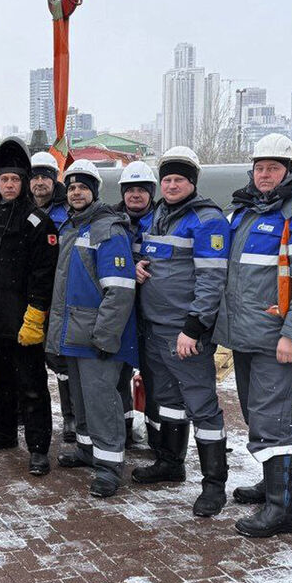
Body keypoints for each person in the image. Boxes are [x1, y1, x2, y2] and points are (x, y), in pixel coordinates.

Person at [214, 134, 292, 538]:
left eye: (274, 168)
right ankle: (273, 484)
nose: (265, 175)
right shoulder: (246, 210)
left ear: (290, 170)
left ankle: (283, 509)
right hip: (246, 336)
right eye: (260, 168)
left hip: (277, 339)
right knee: (259, 414)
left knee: (270, 418)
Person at [130, 147, 232, 517]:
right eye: (167, 180)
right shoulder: (157, 215)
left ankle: (214, 484)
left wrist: (194, 327)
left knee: (201, 406)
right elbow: (143, 251)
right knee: (167, 401)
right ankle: (170, 463)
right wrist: (137, 265)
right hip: (154, 327)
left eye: (179, 180)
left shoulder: (206, 220)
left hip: (184, 333)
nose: (172, 186)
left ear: (192, 183)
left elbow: (212, 279)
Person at [0, 139, 59, 475]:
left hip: (23, 324)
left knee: (32, 388)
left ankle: (38, 448)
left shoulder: (38, 224)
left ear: (24, 183)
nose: (9, 185)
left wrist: (36, 316)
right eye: (4, 179)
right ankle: (3, 433)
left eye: (15, 179)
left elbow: (44, 275)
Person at [47, 159, 138, 496]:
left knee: (102, 403)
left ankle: (109, 467)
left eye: (83, 187)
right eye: (71, 187)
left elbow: (120, 291)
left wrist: (104, 336)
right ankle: (87, 450)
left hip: (96, 336)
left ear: (95, 192)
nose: (76, 193)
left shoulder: (108, 230)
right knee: (82, 400)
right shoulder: (70, 228)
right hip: (73, 333)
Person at [29, 151, 76, 443]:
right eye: (34, 177)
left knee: (61, 360)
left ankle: (71, 417)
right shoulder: (22, 209)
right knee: (28, 358)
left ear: (54, 180)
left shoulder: (67, 212)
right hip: (30, 295)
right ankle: (26, 411)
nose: (39, 183)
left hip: (59, 297)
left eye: (45, 177)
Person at [116, 160, 159, 451]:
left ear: (151, 193)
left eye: (141, 190)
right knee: (118, 376)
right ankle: (123, 432)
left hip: (153, 311)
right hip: (122, 311)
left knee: (155, 378)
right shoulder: (112, 221)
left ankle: (159, 440)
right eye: (130, 190)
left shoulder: (161, 220)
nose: (135, 195)